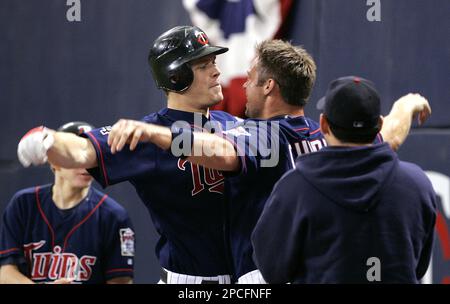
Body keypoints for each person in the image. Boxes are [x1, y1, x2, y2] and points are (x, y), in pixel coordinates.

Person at [100, 40, 431, 283]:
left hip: (262, 279)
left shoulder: (266, 136)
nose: (243, 85)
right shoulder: (328, 138)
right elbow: (389, 135)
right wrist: (407, 105)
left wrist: (157, 134)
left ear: (269, 86)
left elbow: (226, 154)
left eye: (249, 77)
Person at [16, 26, 237, 284]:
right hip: (190, 281)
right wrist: (48, 139)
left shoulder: (234, 125)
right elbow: (83, 150)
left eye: (213, 61)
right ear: (175, 76)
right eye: (203, 65)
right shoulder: (148, 135)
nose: (217, 71)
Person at [251, 76, 437, 283]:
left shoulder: (294, 188)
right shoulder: (417, 184)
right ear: (379, 124)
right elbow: (418, 266)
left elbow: (271, 269)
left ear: (323, 124)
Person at [0, 121, 135, 284]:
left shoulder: (114, 216)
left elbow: (121, 281)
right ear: (54, 161)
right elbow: (5, 273)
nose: (85, 165)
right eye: (74, 156)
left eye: (90, 157)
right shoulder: (23, 204)